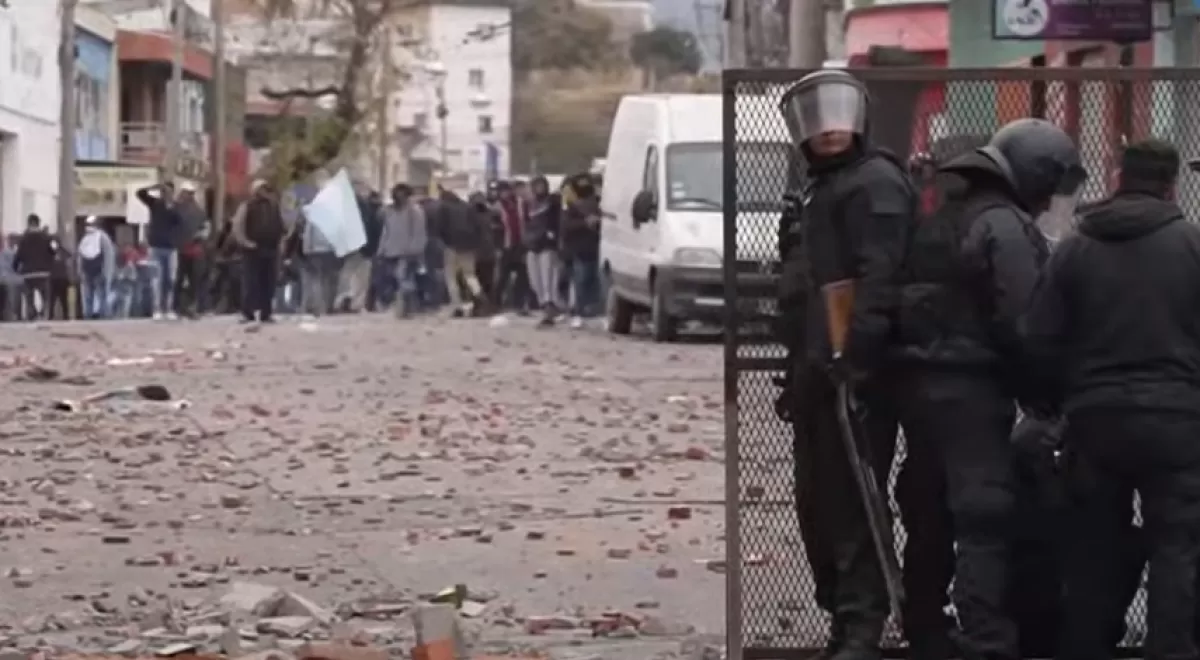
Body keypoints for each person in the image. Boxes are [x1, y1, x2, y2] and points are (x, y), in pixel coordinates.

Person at [890, 117, 1082, 660]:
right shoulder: (1003, 226)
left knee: (927, 511)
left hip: (918, 386)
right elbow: (1025, 322)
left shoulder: (938, 220)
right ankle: (986, 638)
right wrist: (1043, 393)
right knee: (983, 515)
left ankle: (925, 627)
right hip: (974, 389)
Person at [1022, 139, 1200, 660]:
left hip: (1095, 419)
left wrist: (1055, 404)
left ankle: (1088, 645)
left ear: (1119, 177)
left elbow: (1041, 337)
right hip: (1178, 421)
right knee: (1178, 545)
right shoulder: (1192, 246)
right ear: (1171, 184)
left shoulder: (1076, 247)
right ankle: (1172, 649)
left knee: (1095, 546)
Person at [773, 69, 917, 660]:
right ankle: (841, 612)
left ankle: (862, 624)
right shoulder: (818, 189)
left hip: (854, 373)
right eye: (817, 118)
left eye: (837, 114)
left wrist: (855, 357)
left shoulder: (876, 183)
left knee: (853, 501)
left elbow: (878, 279)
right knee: (819, 503)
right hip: (815, 370)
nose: (828, 129)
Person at [231, 179, 286, 323]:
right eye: (261, 189)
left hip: (271, 250)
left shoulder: (274, 206)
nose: (264, 192)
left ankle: (266, 313)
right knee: (251, 282)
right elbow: (238, 226)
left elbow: (280, 227)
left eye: (266, 189)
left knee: (268, 283)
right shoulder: (247, 206)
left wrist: (280, 244)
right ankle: (247, 313)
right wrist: (246, 242)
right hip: (253, 250)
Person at [376, 183, 427, 317]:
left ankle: (407, 308)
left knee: (404, 278)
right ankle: (405, 307)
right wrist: (382, 249)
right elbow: (386, 231)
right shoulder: (389, 211)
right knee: (398, 280)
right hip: (391, 251)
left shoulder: (415, 212)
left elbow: (418, 232)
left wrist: (415, 250)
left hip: (407, 252)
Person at [135, 181, 183, 320]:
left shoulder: (176, 206)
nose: (165, 194)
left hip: (171, 247)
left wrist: (171, 206)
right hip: (155, 247)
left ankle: (168, 308)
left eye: (168, 191)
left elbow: (180, 221)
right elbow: (139, 193)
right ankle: (157, 309)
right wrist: (153, 186)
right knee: (157, 279)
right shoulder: (155, 204)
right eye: (163, 191)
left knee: (170, 279)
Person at [560, 173, 602, 328]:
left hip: (595, 248)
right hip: (578, 249)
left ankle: (592, 311)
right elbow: (565, 226)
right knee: (580, 280)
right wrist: (585, 222)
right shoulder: (570, 206)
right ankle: (578, 311)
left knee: (593, 280)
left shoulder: (597, 204)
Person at [437, 189, 486, 317]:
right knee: (469, 274)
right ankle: (478, 294)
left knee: (451, 277)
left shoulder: (444, 208)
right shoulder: (468, 207)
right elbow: (478, 226)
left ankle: (457, 305)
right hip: (469, 246)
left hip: (452, 246)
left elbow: (441, 227)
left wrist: (444, 241)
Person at [525, 175, 563, 326]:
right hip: (533, 244)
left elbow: (558, 220)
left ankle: (550, 306)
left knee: (548, 278)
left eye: (542, 185)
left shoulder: (552, 201)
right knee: (535, 280)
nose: (539, 188)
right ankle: (544, 304)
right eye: (536, 185)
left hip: (548, 244)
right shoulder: (532, 205)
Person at [493, 181, 532, 313]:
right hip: (506, 246)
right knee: (503, 276)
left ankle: (518, 303)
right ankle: (496, 303)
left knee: (522, 276)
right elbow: (495, 230)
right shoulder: (497, 207)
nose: (505, 194)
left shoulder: (520, 204)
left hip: (520, 244)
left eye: (507, 191)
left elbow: (527, 220)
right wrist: (498, 246)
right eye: (502, 191)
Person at [173, 182, 209, 318]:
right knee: (182, 279)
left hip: (192, 250)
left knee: (191, 280)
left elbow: (205, 228)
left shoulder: (197, 211)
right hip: (184, 249)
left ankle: (187, 307)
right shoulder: (178, 209)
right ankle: (181, 307)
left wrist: (199, 237)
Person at [13, 214, 55, 320]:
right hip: (43, 272)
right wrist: (49, 265)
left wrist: (15, 268)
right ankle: (44, 315)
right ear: (38, 223)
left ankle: (32, 314)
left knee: (29, 297)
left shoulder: (23, 239)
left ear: (28, 223)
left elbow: (19, 255)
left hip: (28, 273)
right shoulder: (46, 237)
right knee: (45, 297)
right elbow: (53, 252)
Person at [77, 216, 116, 320]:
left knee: (94, 296)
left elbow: (80, 256)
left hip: (94, 272)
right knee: (95, 296)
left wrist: (107, 272)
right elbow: (109, 256)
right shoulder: (95, 238)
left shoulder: (93, 238)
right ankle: (95, 315)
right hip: (93, 272)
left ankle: (96, 315)